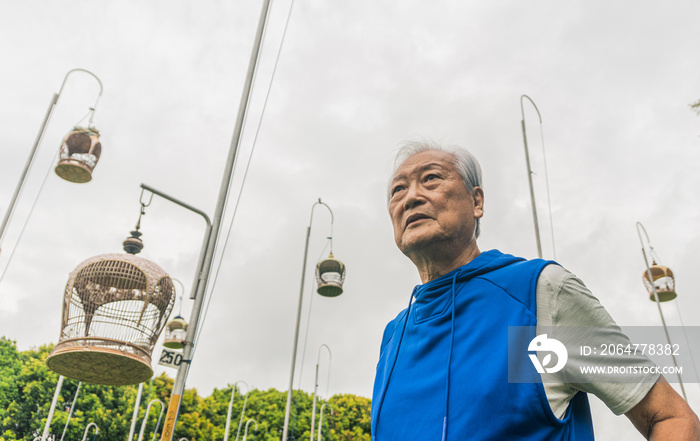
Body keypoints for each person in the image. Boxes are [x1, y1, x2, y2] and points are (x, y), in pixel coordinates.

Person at [371, 140, 700, 440]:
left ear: (476, 201)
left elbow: (670, 417)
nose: (411, 196)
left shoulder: (537, 296)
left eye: (431, 179)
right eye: (398, 189)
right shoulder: (393, 338)